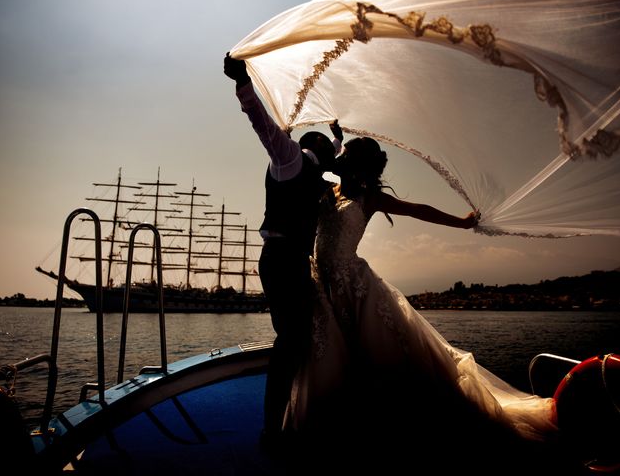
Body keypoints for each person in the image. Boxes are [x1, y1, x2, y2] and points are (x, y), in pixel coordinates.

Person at [285, 137, 578, 474]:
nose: (340, 156)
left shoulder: (371, 198)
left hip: (354, 286)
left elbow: (418, 210)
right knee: (334, 353)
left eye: (346, 154)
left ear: (359, 165)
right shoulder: (326, 189)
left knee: (371, 354)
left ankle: (383, 426)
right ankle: (347, 422)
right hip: (322, 285)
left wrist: (463, 222)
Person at [223, 53, 342, 447]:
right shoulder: (290, 157)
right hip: (280, 260)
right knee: (289, 340)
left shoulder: (313, 165)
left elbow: (334, 152)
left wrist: (337, 135)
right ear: (317, 150)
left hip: (287, 260)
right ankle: (271, 429)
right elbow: (261, 124)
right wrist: (242, 83)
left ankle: (288, 414)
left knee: (295, 338)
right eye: (331, 149)